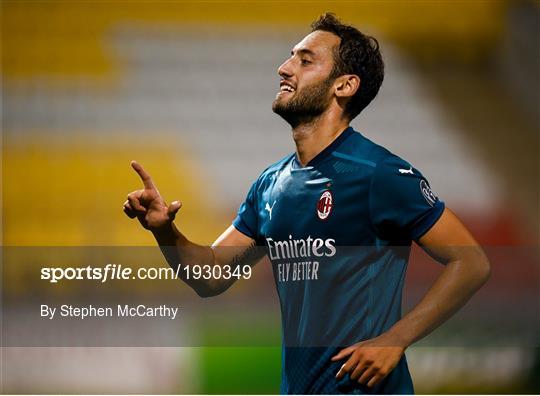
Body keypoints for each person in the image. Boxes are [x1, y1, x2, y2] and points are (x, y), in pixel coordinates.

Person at [123, 13, 490, 395]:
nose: (284, 68)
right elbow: (211, 275)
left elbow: (471, 262)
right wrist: (164, 229)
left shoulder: (378, 173)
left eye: (305, 60)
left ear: (344, 86)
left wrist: (396, 338)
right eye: (290, 57)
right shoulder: (269, 185)